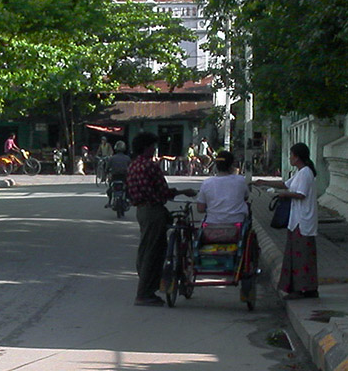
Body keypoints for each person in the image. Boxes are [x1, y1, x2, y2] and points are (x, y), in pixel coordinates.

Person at [125, 131, 197, 306]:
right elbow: (163, 191)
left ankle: (148, 287)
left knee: (146, 250)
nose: (154, 150)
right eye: (152, 147)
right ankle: (144, 294)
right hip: (153, 211)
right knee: (154, 253)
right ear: (146, 148)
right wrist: (182, 191)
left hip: (142, 211)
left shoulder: (133, 165)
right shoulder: (150, 166)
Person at [253, 143, 319, 298]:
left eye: (291, 155)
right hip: (297, 219)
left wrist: (282, 195)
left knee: (301, 255)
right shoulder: (300, 173)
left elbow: (300, 194)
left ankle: (302, 289)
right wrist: (264, 182)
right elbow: (285, 184)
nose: (289, 158)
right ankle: (304, 288)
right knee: (297, 253)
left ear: (297, 157)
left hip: (303, 220)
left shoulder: (305, 173)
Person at [196, 150, 250, 225]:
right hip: (237, 224)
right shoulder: (240, 180)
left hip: (212, 226)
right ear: (231, 165)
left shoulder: (207, 183)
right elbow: (246, 197)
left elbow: (200, 209)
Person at [104, 141, 131, 207]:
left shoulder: (112, 158)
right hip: (124, 177)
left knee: (110, 189)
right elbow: (131, 168)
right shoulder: (127, 158)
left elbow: (107, 168)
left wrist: (106, 173)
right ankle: (128, 200)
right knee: (128, 188)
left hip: (115, 177)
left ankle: (109, 201)